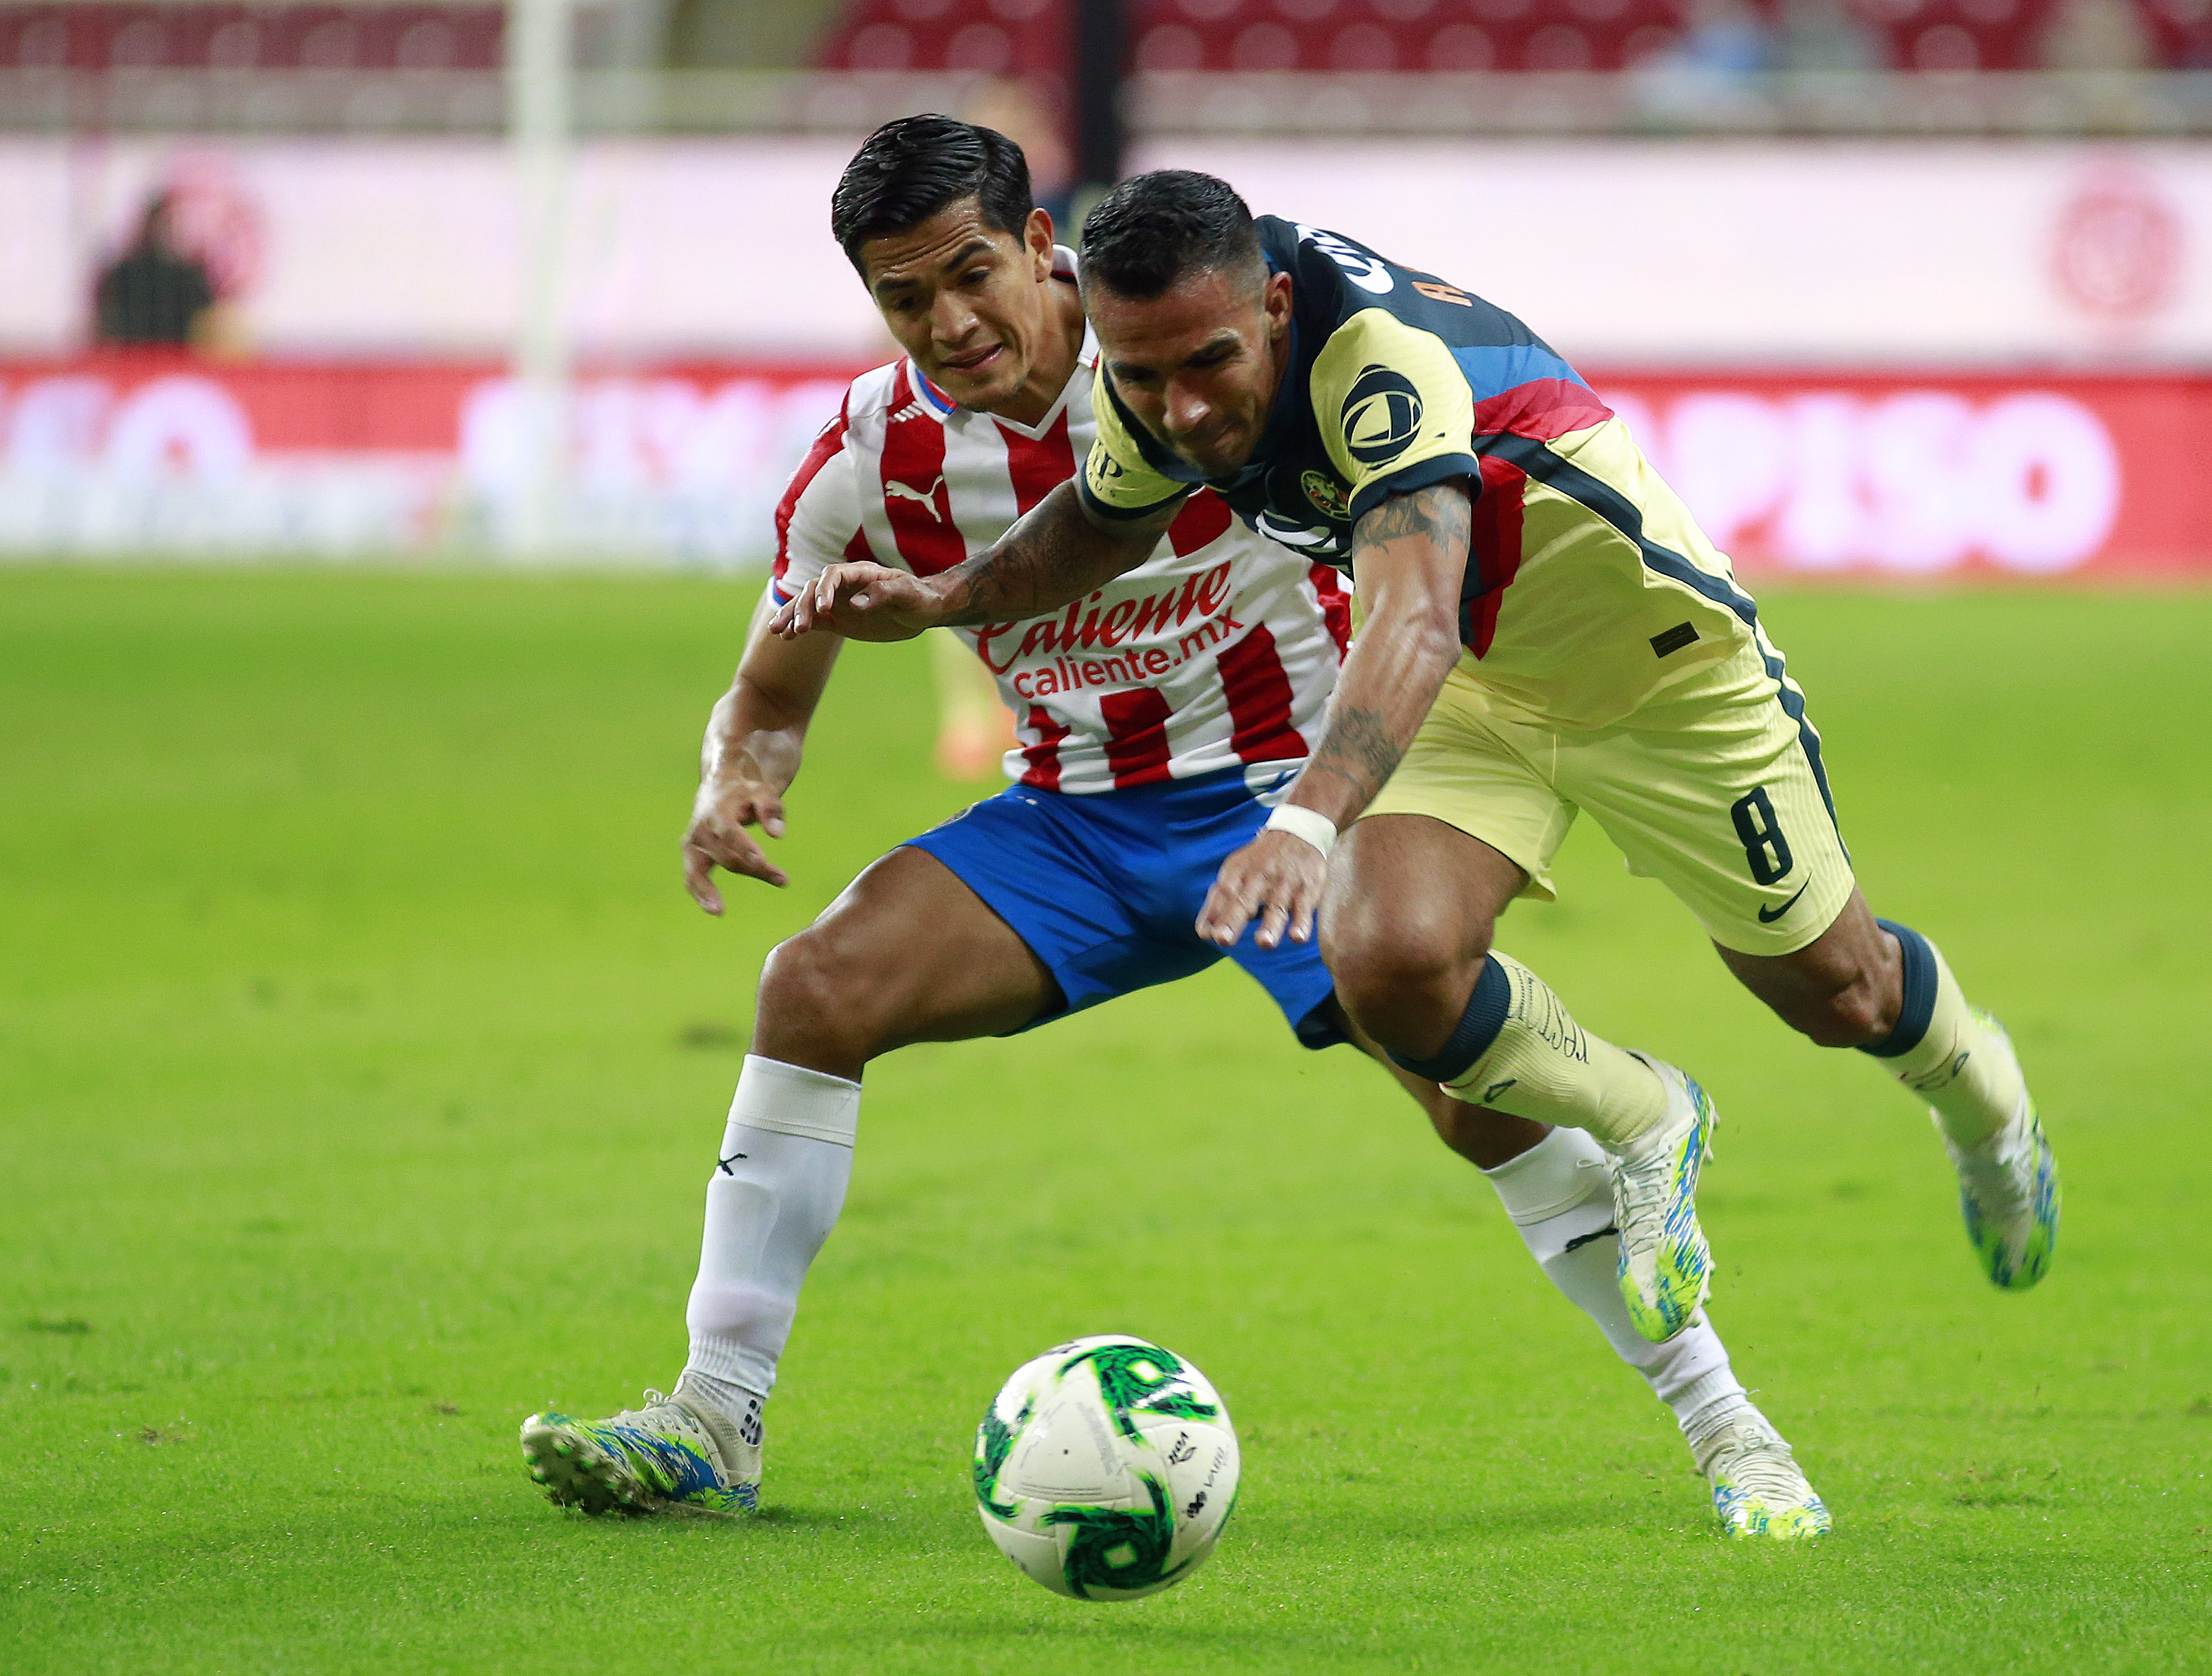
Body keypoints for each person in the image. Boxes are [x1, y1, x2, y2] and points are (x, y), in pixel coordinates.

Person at [520, 119, 1830, 1540]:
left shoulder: (1186, 352)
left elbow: (1403, 546)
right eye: (907, 299)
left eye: (973, 274)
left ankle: (1732, 1433)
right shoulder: (868, 459)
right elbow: (773, 679)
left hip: (1298, 788)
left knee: (1472, 1100)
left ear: (1041, 244)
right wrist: (739, 774)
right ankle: (715, 1416)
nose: (950, 323)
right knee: (813, 986)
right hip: (1077, 823)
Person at [780, 169, 2059, 1362]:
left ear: (1274, 307)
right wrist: (942, 596)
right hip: (1468, 698)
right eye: (1145, 375)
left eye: (1213, 364)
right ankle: (1648, 1113)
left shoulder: (1378, 359)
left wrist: (1306, 821)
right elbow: (1095, 531)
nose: (1187, 411)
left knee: (1838, 989)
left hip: (1655, 674)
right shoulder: (1158, 377)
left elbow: (1409, 618)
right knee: (1385, 958)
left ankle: (1987, 1112)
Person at [92, 191, 220, 350]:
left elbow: (204, 324)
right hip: (131, 359)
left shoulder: (189, 277)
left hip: (178, 361)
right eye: (165, 223)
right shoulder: (125, 274)